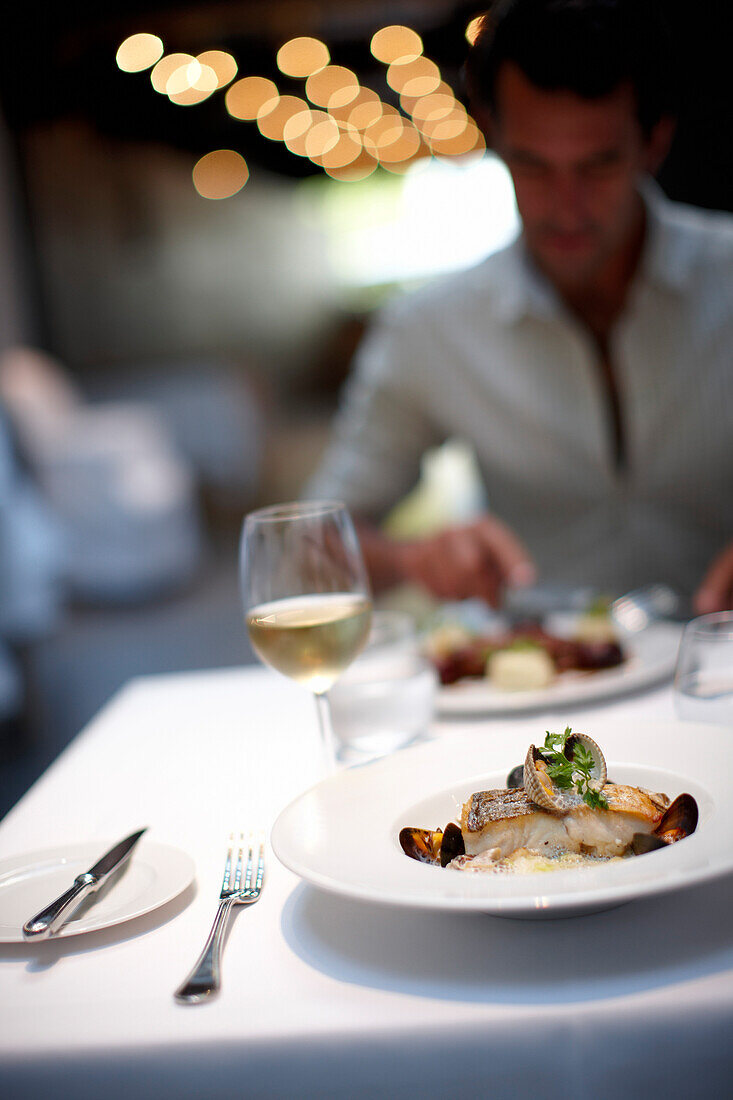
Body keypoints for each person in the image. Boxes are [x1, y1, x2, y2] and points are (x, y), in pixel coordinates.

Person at [306, 0, 733, 612]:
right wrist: (411, 558)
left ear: (655, 142)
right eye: (533, 166)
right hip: (546, 680)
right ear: (494, 138)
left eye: (598, 165)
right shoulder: (431, 329)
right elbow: (316, 541)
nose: (566, 206)